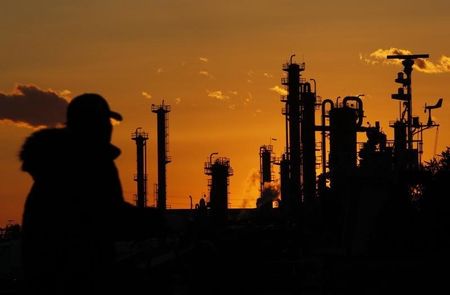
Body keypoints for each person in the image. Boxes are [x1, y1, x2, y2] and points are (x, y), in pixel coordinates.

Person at [20, 93, 163, 294]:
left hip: (47, 279)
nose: (109, 127)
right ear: (94, 125)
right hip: (76, 280)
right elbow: (109, 218)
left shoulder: (54, 167)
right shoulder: (87, 164)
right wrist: (161, 222)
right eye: (105, 121)